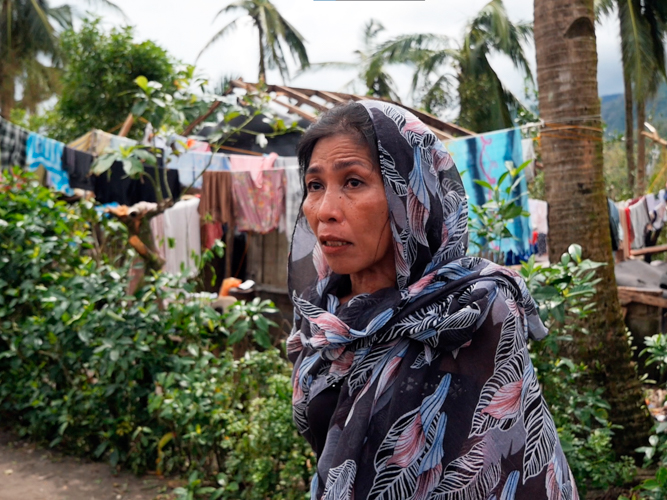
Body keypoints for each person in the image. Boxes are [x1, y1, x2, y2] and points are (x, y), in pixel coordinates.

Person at [287, 101, 577, 500]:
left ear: (411, 196)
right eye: (315, 185)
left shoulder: (470, 310)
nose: (324, 210)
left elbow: (497, 467)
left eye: (353, 182)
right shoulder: (323, 317)